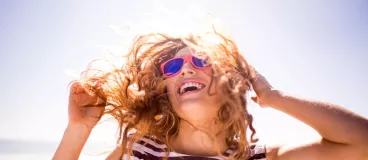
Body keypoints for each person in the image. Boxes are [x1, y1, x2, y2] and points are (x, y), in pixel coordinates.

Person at [52, 30, 368, 160]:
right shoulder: (139, 148)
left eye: (201, 62)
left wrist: (274, 96)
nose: (186, 70)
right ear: (166, 93)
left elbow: (361, 141)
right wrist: (77, 132)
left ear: (231, 85)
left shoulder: (256, 158)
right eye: (173, 66)